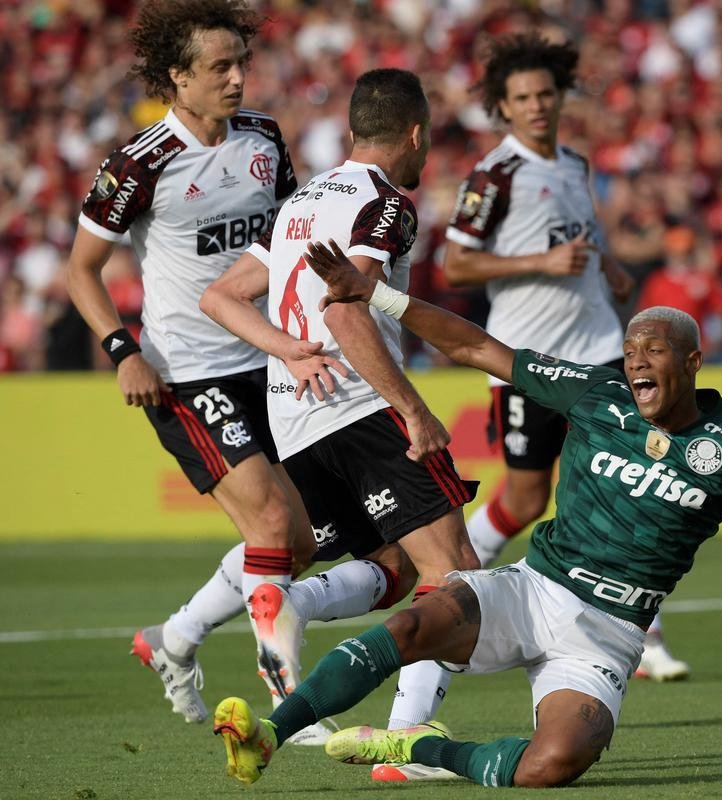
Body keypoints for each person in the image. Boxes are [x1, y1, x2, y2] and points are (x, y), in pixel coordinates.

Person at [210, 240, 722, 790]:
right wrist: (377, 295)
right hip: (535, 589)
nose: (635, 360)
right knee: (423, 616)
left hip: (610, 629)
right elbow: (480, 348)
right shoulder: (599, 395)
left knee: (554, 765)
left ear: (693, 361)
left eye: (653, 350)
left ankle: (424, 747)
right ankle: (269, 736)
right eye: (630, 349)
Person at [63, 0, 332, 742]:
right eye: (219, 67)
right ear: (177, 77)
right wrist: (124, 351)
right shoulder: (138, 165)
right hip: (186, 373)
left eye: (241, 62)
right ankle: (288, 700)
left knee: (302, 543)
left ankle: (174, 638)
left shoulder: (265, 139)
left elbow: (288, 239)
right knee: (272, 521)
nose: (237, 78)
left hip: (267, 359)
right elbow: (81, 270)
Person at [200, 67, 481, 773]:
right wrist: (413, 409)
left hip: (297, 418)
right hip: (359, 407)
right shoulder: (384, 203)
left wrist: (286, 351)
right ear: (413, 133)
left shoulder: (302, 201)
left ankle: (292, 608)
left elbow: (223, 297)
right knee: (457, 576)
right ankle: (406, 743)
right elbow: (348, 308)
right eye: (426, 142)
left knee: (391, 565)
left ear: (356, 129)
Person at [438, 31, 686, 704]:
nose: (537, 106)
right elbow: (454, 265)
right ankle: (455, 581)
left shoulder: (574, 164)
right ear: (504, 107)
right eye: (522, 98)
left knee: (632, 483)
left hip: (601, 351)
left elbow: (583, 235)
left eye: (546, 94)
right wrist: (539, 265)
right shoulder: (495, 176)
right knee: (524, 499)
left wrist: (606, 266)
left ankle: (645, 634)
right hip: (527, 363)